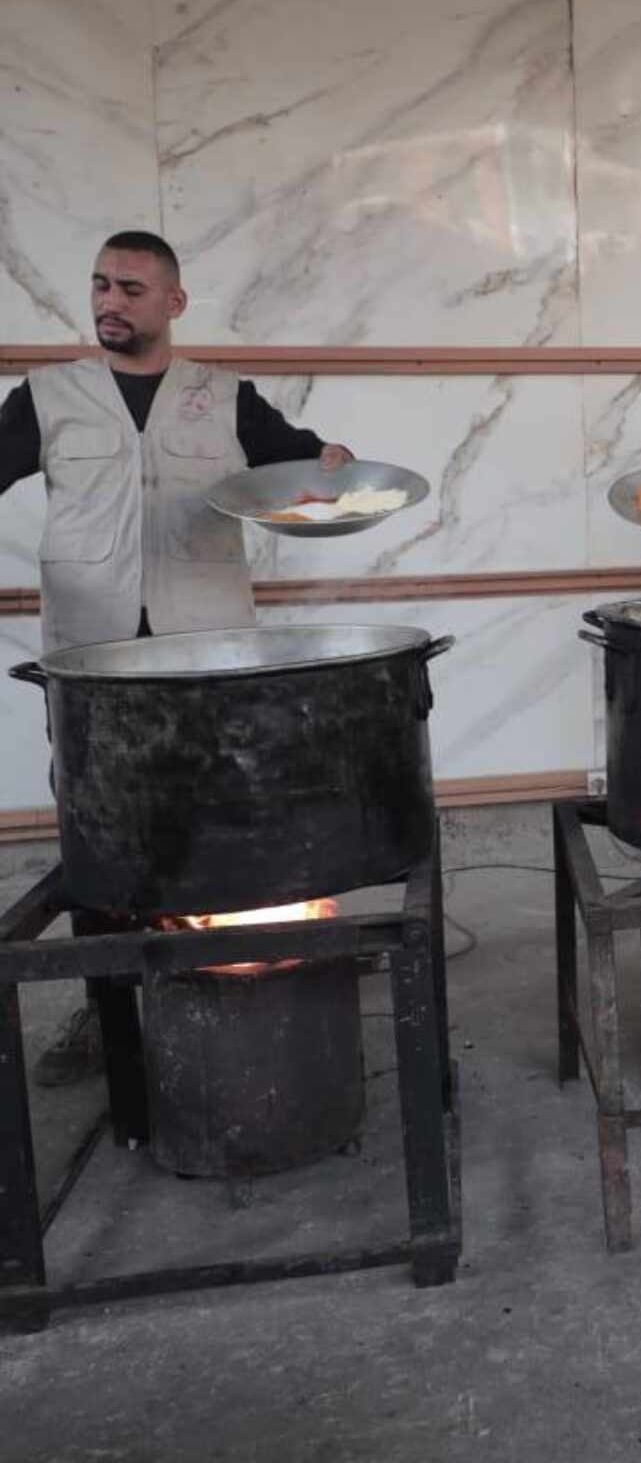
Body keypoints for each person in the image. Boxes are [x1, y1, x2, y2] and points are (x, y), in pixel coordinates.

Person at [1, 230, 355, 1084]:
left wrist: (331, 462)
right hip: (92, 659)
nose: (109, 302)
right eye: (100, 285)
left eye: (130, 288)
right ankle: (106, 1011)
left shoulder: (224, 397)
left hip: (206, 653)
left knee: (220, 815)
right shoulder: (47, 397)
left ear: (173, 302)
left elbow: (301, 464)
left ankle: (232, 978)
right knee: (99, 835)